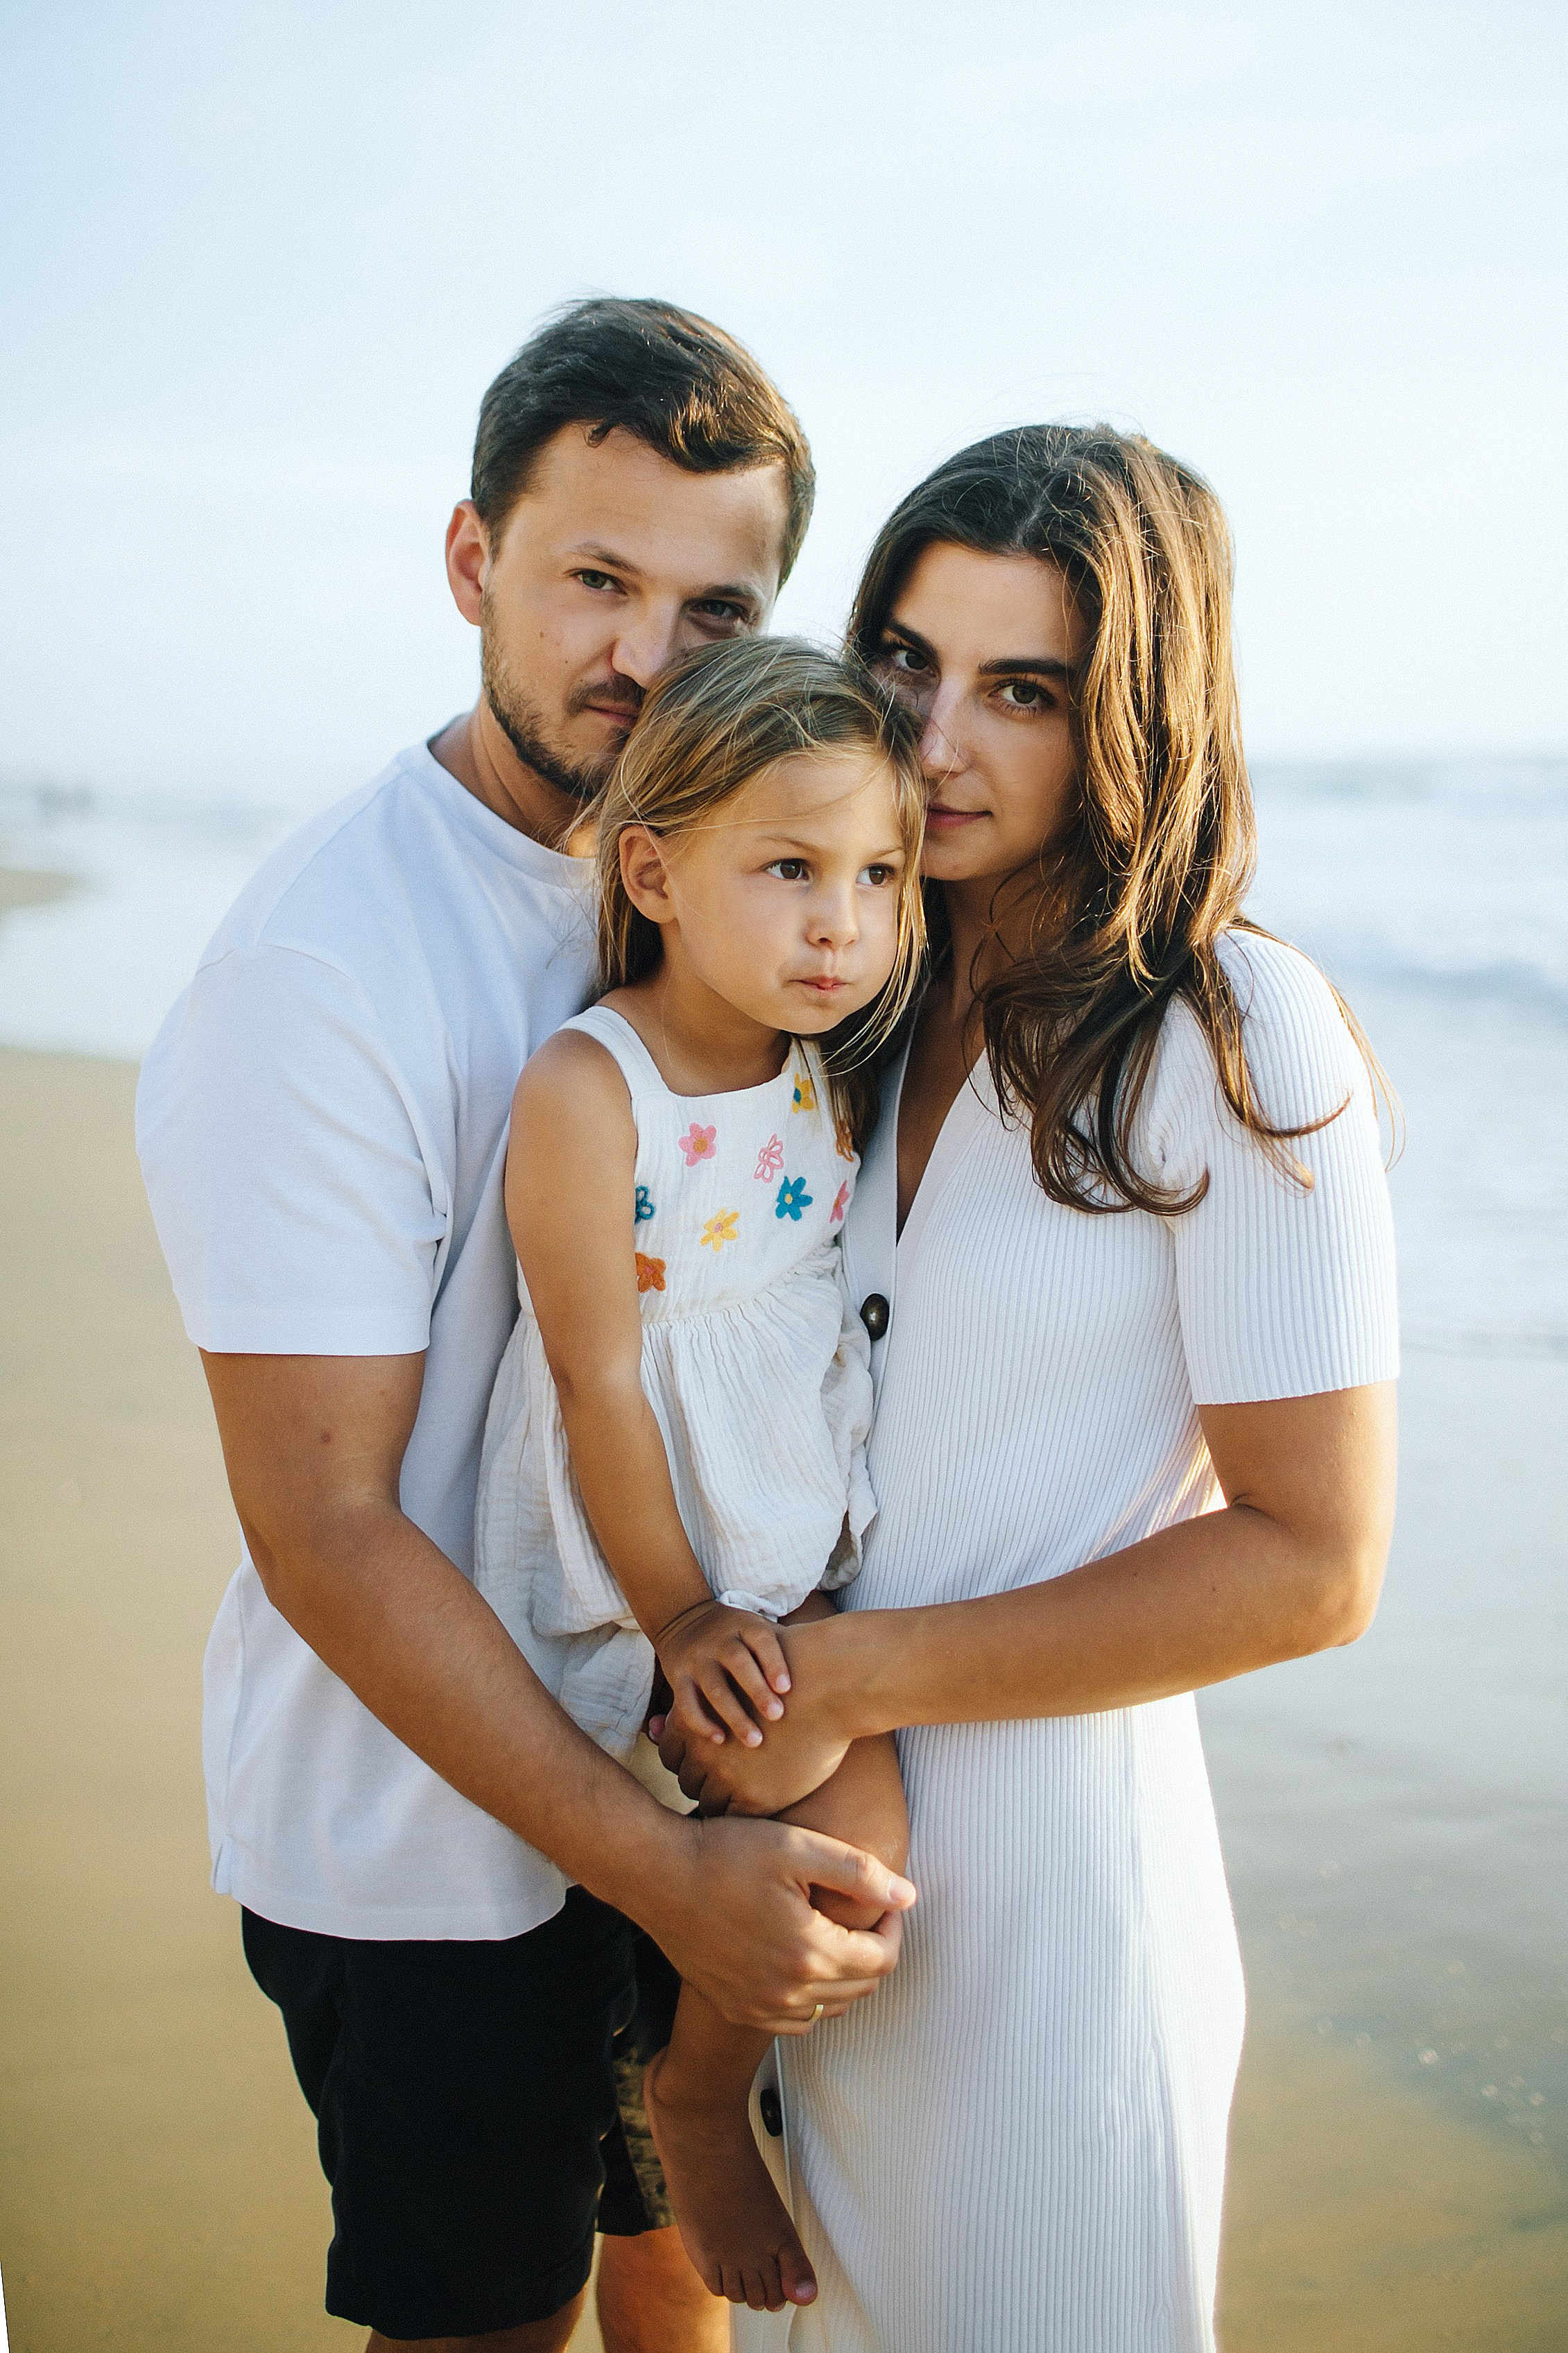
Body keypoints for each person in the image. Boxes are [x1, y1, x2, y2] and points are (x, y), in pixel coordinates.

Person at [134, 298, 914, 2353]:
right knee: (492, 2321)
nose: (646, 655)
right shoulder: (324, 969)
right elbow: (325, 1530)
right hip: (420, 1838)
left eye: (711, 601)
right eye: (593, 579)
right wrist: (661, 1874)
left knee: (678, 2282)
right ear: (474, 562)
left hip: (670, 1776)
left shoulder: (742, 905)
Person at [654, 425, 1402, 2352]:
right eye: (903, 661)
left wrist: (850, 1676)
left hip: (1057, 1950)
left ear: (1132, 716)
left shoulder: (1233, 1038)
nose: (931, 739)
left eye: (1020, 691)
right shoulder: (851, 994)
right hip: (806, 1909)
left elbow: (1314, 1565)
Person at [475, 633, 923, 2318]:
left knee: (856, 1857)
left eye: (879, 874)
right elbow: (600, 1380)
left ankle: (690, 2087)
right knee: (819, 1848)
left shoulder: (825, 1072)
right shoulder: (596, 1089)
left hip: (788, 1571)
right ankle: (699, 2102)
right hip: (648, 1577)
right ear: (654, 872)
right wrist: (678, 1608)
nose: (844, 921)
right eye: (792, 868)